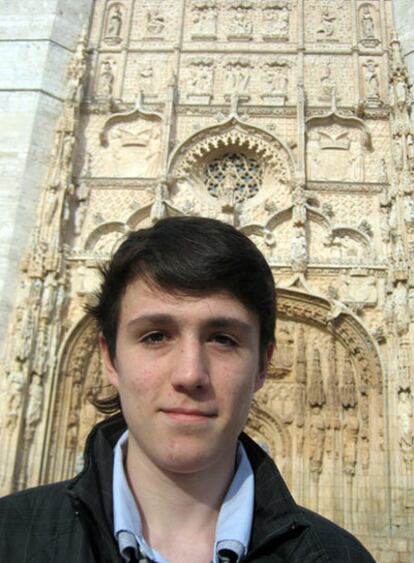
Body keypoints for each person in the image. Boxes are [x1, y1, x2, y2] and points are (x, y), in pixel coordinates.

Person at [0, 216, 375, 562]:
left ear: (264, 364)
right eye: (156, 335)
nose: (190, 373)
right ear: (110, 358)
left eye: (223, 339)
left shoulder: (338, 557)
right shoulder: (11, 538)